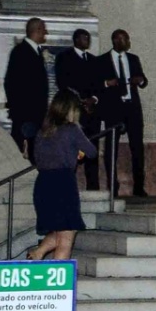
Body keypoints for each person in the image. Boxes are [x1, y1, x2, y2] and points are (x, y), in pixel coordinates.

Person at [28, 93, 96, 261]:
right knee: (66, 236)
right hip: (63, 183)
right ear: (71, 110)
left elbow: (37, 157)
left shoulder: (42, 131)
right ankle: (58, 282)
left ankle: (38, 253)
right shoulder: (71, 129)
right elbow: (92, 152)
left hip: (43, 183)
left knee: (61, 230)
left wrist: (70, 152)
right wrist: (77, 152)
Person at [97, 28, 150, 197]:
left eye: (127, 39)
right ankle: (113, 186)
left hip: (132, 107)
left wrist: (141, 80)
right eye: (125, 39)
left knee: (138, 148)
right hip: (113, 109)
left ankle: (139, 187)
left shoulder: (133, 59)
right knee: (111, 149)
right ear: (116, 40)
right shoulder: (102, 60)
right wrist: (106, 83)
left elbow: (143, 79)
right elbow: (95, 84)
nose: (128, 42)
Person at [55, 28, 105, 190]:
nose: (87, 41)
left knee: (92, 147)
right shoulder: (64, 58)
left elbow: (99, 85)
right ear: (76, 40)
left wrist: (94, 99)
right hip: (73, 111)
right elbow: (63, 83)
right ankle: (67, 184)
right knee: (72, 148)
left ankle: (93, 185)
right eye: (84, 38)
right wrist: (80, 101)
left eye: (88, 38)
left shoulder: (94, 60)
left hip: (92, 113)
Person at [5, 17, 52, 159]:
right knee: (17, 151)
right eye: (44, 29)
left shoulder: (36, 52)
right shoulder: (20, 52)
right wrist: (21, 110)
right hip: (25, 114)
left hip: (36, 114)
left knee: (35, 152)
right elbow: (12, 83)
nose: (46, 32)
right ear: (37, 30)